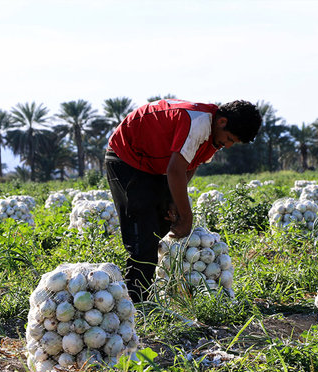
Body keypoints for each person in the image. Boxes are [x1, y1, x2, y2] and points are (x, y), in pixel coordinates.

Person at [105, 99, 262, 302]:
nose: (229, 145)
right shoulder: (197, 122)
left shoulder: (214, 136)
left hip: (153, 166)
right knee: (143, 234)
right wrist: (187, 217)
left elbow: (190, 164)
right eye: (230, 138)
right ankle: (135, 303)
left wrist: (173, 201)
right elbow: (175, 170)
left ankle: (144, 290)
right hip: (127, 158)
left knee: (161, 223)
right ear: (222, 122)